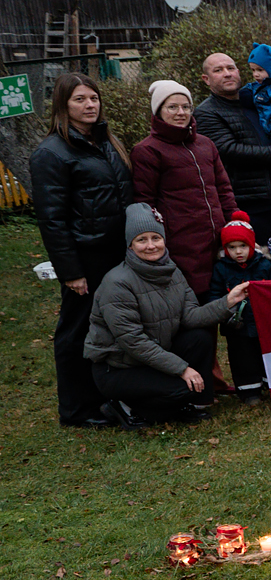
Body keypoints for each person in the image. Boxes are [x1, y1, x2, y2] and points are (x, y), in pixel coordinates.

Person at [30, 72, 134, 427]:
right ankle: (76, 409)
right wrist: (70, 271)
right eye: (80, 100)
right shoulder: (51, 153)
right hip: (85, 256)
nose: (90, 105)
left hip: (116, 251)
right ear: (63, 105)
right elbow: (51, 218)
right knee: (76, 330)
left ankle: (107, 396)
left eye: (93, 98)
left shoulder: (106, 141)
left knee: (113, 324)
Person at [84, 204, 248, 426]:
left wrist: (228, 302)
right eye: (142, 240)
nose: (151, 246)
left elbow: (190, 316)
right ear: (130, 246)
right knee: (181, 391)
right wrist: (182, 369)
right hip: (119, 367)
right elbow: (134, 342)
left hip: (154, 356)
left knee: (199, 337)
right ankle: (122, 406)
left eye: (156, 238)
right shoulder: (117, 283)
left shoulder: (172, 271)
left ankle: (192, 405)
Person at [129, 79, 235, 297]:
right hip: (181, 243)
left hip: (217, 238)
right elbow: (145, 202)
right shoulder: (147, 150)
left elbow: (223, 188)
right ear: (159, 111)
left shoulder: (206, 145)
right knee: (192, 303)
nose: (181, 112)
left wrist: (235, 220)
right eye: (172, 107)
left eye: (186, 107)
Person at [195, 52, 271, 242]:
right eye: (218, 70)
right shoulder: (206, 113)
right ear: (206, 79)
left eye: (230, 68)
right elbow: (229, 150)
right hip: (251, 205)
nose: (227, 73)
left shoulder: (258, 99)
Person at [203, 211, 269, 400]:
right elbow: (215, 294)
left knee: (263, 354)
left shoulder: (264, 265)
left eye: (243, 246)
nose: (238, 251)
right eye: (232, 247)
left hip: (261, 322)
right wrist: (223, 308)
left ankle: (268, 383)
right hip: (236, 326)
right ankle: (249, 391)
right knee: (242, 359)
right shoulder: (221, 269)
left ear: (252, 245)